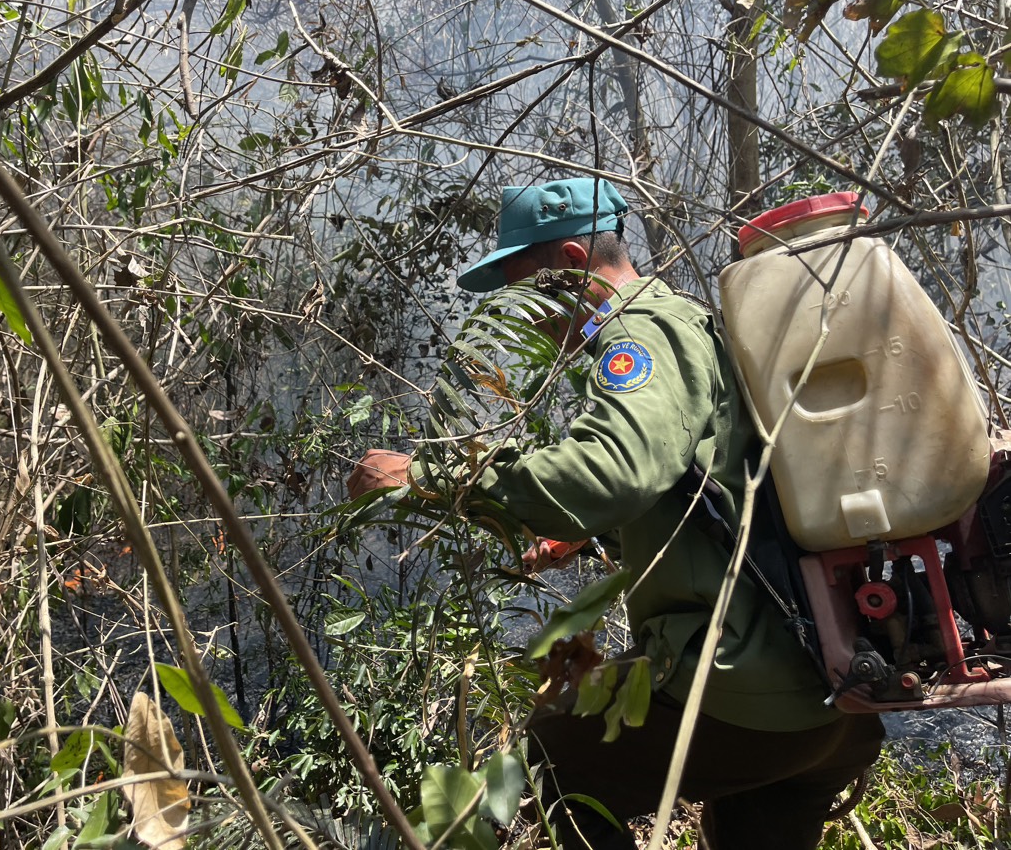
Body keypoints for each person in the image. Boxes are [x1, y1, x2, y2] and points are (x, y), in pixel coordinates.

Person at [347, 176, 884, 850]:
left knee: (547, 765)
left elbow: (615, 472)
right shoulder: (695, 321)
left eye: (521, 294)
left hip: (747, 697)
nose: (524, 320)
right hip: (829, 692)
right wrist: (587, 533)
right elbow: (715, 473)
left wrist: (428, 475)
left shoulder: (644, 335)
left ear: (572, 262)